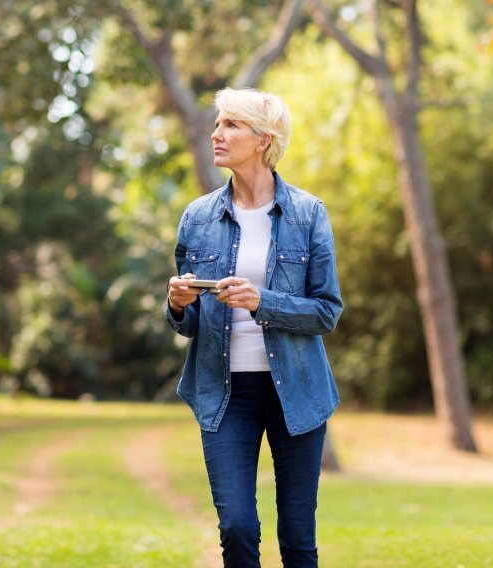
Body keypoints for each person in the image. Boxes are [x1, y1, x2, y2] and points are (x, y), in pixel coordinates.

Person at [165, 88, 343, 568]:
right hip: (224, 392)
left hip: (298, 393)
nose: (216, 134)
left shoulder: (308, 214)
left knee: (297, 540)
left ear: (263, 139)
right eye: (218, 123)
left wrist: (265, 302)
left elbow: (326, 311)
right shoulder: (198, 217)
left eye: (230, 125)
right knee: (237, 529)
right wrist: (179, 305)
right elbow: (188, 325)